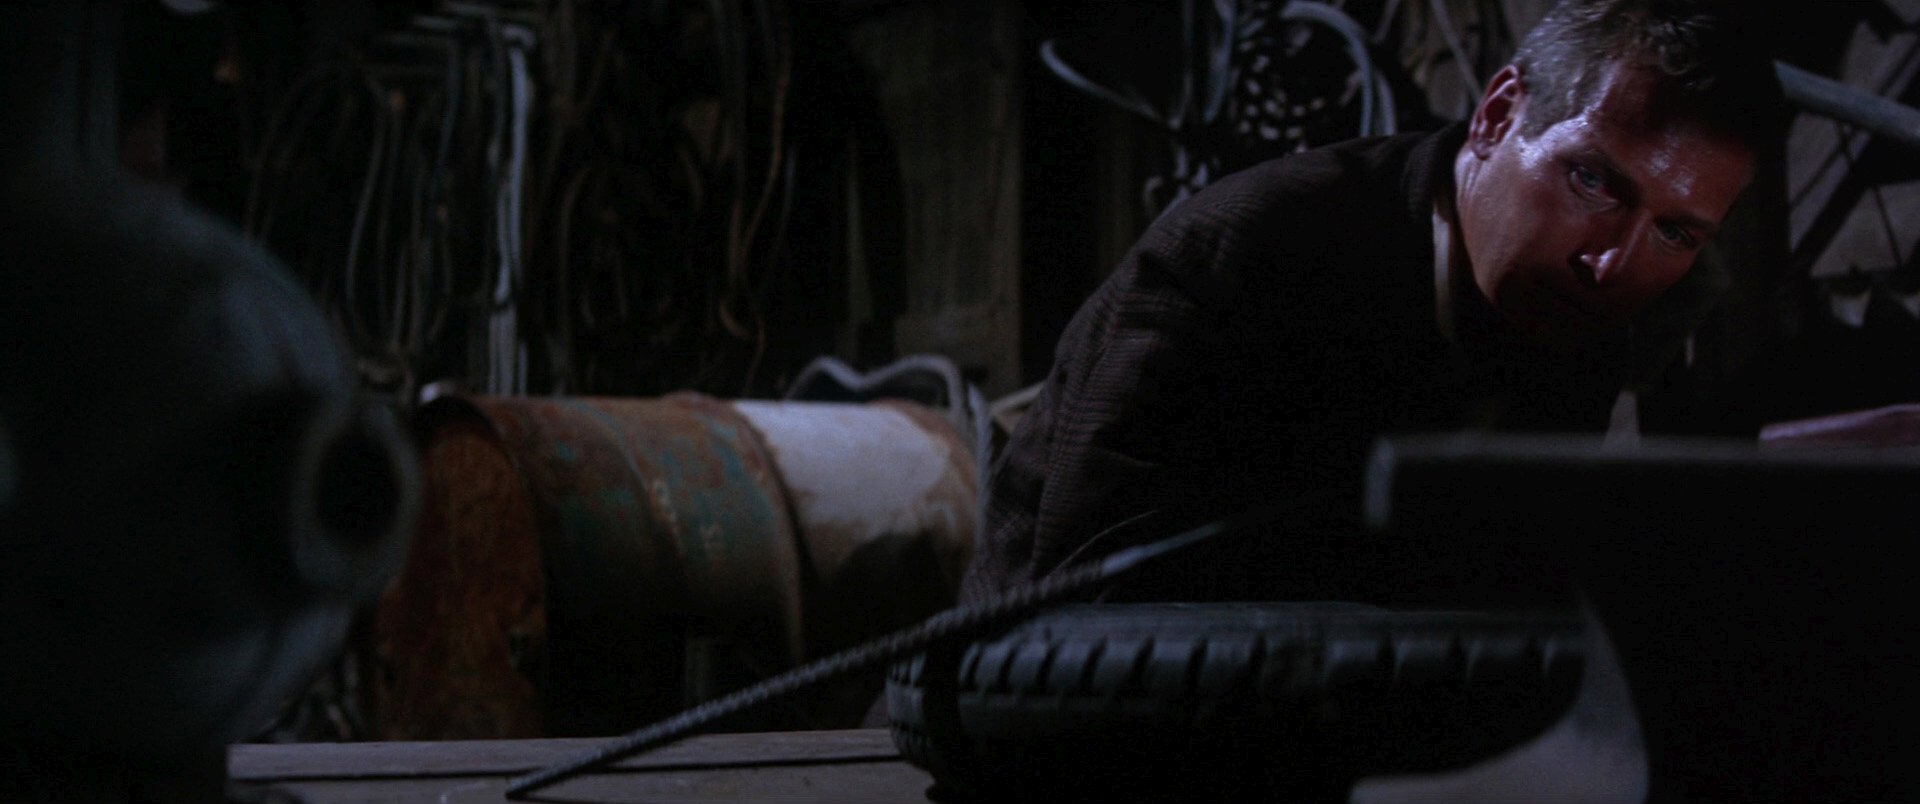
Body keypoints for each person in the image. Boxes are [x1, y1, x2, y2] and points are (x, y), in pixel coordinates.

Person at [961, 0, 1784, 603]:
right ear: (1498, 115)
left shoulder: (1576, 312)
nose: (1613, 263)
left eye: (1676, 232)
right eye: (1593, 181)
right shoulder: (1254, 251)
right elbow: (1084, 604)